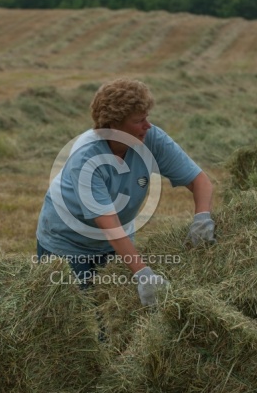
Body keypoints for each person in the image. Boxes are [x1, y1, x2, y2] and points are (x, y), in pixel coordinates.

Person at [36, 78, 215, 306]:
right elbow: (109, 226)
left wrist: (202, 218)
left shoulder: (150, 138)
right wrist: (143, 274)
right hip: (67, 241)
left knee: (115, 314)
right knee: (74, 318)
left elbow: (200, 181)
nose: (147, 126)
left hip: (117, 237)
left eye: (146, 118)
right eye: (139, 121)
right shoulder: (87, 159)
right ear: (113, 126)